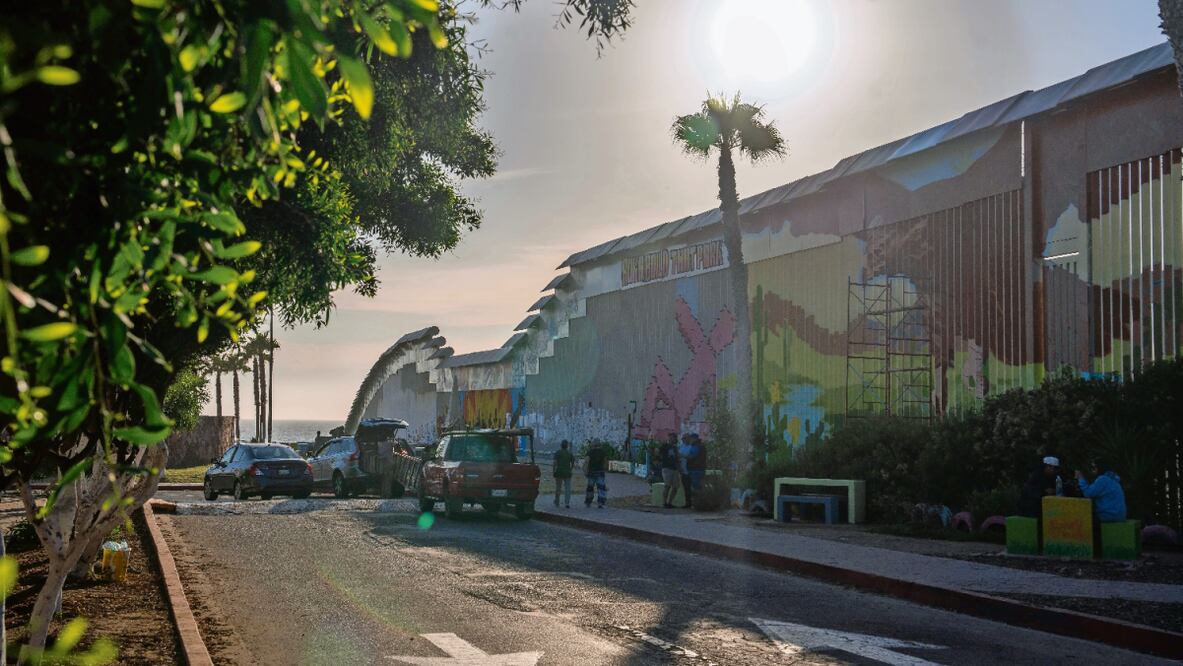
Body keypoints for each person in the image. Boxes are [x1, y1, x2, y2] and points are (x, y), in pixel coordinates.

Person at [1076, 459, 1127, 523]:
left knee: (1082, 517)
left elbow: (1088, 493)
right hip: (1119, 515)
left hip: (1109, 515)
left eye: (1094, 467)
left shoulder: (1103, 479)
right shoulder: (1113, 479)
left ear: (1100, 468)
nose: (1092, 470)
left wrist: (1081, 479)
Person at [658, 433, 681, 509]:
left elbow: (677, 458)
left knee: (675, 487)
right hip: (667, 468)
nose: (673, 439)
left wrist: (679, 468)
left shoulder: (675, 448)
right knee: (667, 486)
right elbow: (658, 453)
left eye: (674, 438)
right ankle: (664, 502)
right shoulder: (665, 446)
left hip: (674, 469)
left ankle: (670, 502)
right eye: (672, 437)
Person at [584, 442, 608, 508]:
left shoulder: (590, 452)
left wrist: (585, 471)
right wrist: (605, 469)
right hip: (600, 472)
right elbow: (606, 462)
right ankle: (600, 502)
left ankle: (588, 502)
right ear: (599, 445)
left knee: (590, 488)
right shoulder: (603, 452)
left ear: (593, 445)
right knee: (601, 488)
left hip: (591, 472)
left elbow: (587, 461)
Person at [553, 440, 574, 508]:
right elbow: (573, 462)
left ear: (561, 445)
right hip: (567, 472)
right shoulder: (569, 453)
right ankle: (567, 503)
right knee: (567, 488)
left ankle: (557, 501)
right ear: (567, 446)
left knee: (558, 487)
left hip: (559, 472)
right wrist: (571, 469)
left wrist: (554, 471)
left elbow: (555, 463)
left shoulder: (558, 452)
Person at [687, 433, 708, 502]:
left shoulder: (696, 446)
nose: (690, 440)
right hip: (701, 468)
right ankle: (702, 501)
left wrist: (683, 455)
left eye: (690, 438)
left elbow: (692, 456)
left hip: (695, 469)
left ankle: (698, 502)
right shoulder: (701, 446)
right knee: (701, 486)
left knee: (696, 487)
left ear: (694, 439)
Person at [677, 433, 695, 508]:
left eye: (685, 438)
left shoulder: (692, 447)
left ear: (689, 438)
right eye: (683, 438)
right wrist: (679, 468)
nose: (684, 440)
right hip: (683, 470)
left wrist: (683, 456)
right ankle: (688, 503)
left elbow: (692, 457)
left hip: (691, 470)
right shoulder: (680, 447)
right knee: (686, 487)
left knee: (692, 487)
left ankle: (694, 502)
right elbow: (677, 458)